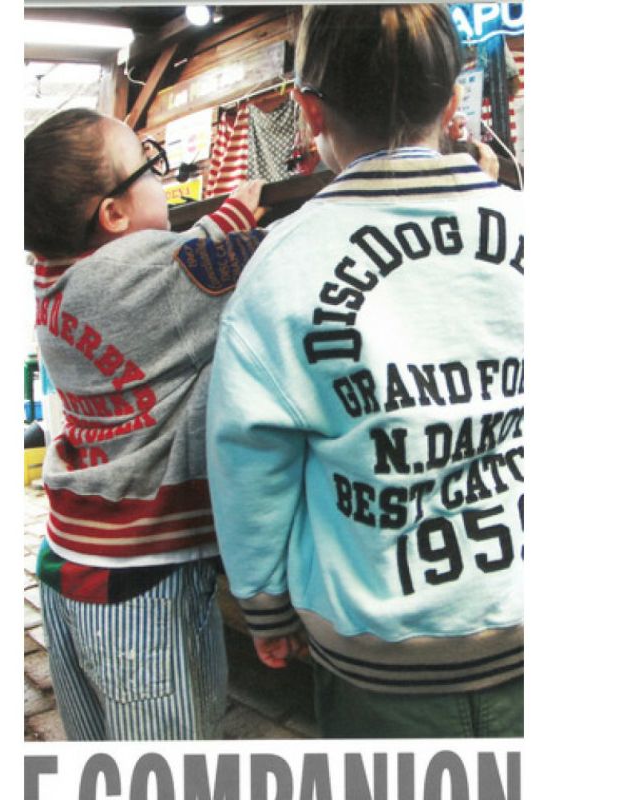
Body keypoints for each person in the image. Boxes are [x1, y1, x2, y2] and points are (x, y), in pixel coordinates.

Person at [206, 4, 524, 738]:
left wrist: (264, 602)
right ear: (453, 101)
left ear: (310, 109)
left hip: (376, 657)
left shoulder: (282, 264)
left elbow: (250, 459)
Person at [24, 107, 264, 740]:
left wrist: (223, 219)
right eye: (151, 167)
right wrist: (241, 216)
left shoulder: (55, 273)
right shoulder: (143, 280)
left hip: (72, 558)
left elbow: (179, 264)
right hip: (139, 581)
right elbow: (268, 259)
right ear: (113, 215)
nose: (163, 176)